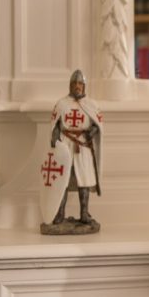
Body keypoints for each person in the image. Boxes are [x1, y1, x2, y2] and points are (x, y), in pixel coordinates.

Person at [42, 69, 102, 230]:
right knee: (64, 181)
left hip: (83, 146)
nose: (77, 86)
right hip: (66, 144)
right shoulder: (62, 104)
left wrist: (91, 132)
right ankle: (59, 213)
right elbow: (55, 124)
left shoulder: (92, 104)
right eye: (74, 83)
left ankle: (84, 214)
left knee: (85, 181)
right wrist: (54, 138)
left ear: (84, 86)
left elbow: (97, 125)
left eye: (80, 83)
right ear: (70, 85)